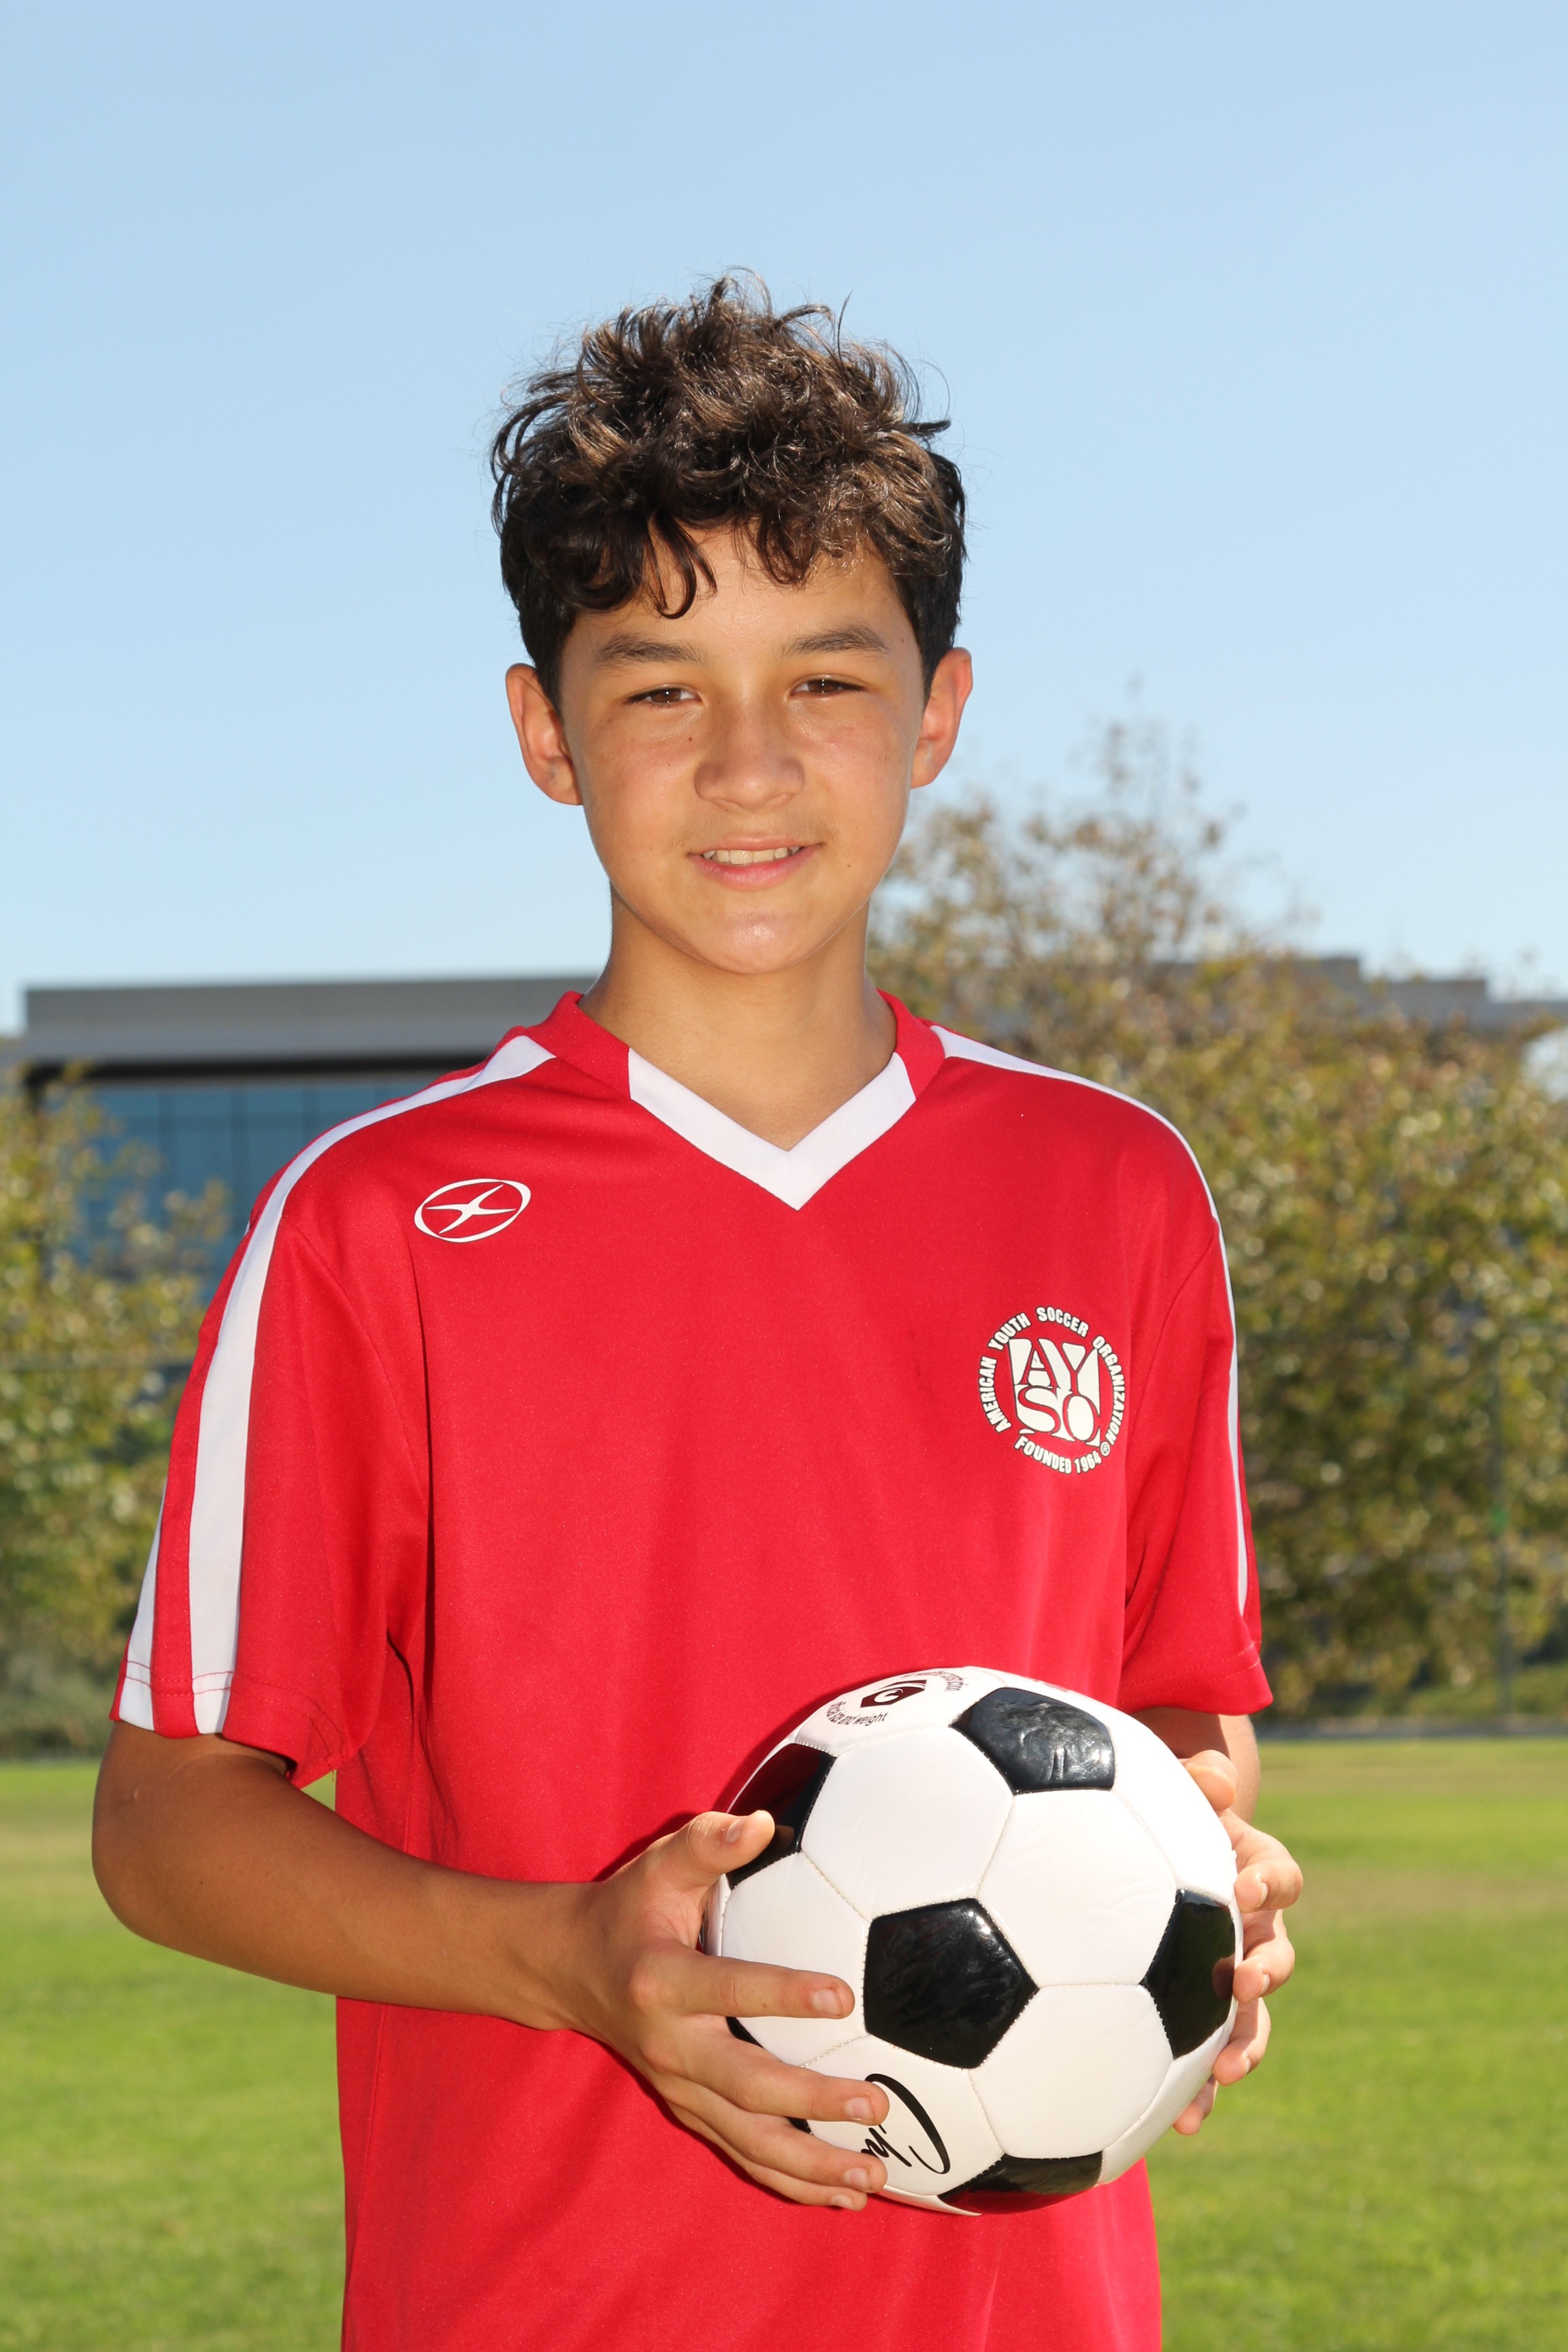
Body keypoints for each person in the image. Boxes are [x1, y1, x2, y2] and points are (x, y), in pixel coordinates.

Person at [93, 278, 1302, 2352]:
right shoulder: (375, 1224)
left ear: (937, 711)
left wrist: (1200, 1875)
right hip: (541, 2302)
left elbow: (1183, 1711)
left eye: (826, 677)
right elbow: (164, 1826)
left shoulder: (1115, 1192)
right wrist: (571, 1957)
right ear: (546, 732)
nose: (750, 763)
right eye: (662, 687)